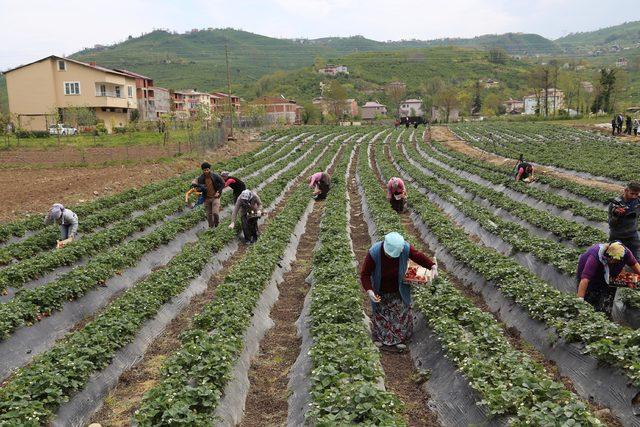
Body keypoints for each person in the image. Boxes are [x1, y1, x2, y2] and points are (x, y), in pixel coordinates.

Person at [360, 232, 437, 351]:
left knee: (400, 313)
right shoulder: (374, 252)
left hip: (399, 287)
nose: (391, 257)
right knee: (382, 313)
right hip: (381, 289)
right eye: (389, 255)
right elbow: (365, 274)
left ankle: (398, 339)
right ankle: (380, 338)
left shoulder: (404, 248)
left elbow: (418, 256)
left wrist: (432, 266)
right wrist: (370, 291)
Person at [576, 241, 640, 315]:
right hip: (593, 278)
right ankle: (590, 315)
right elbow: (585, 280)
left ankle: (606, 314)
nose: (614, 262)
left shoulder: (625, 253)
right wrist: (579, 302)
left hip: (611, 275)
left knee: (608, 298)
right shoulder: (595, 256)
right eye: (612, 260)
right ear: (607, 256)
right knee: (591, 300)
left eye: (617, 261)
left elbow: (636, 267)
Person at [608, 181, 640, 259]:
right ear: (626, 190)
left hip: (632, 235)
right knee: (615, 259)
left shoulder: (638, 202)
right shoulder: (616, 204)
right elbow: (611, 224)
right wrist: (616, 215)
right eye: (632, 193)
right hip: (617, 235)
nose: (634, 196)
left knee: (636, 259)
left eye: (636, 194)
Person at [197, 162, 225, 228]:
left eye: (207, 169)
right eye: (204, 170)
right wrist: (199, 189)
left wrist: (218, 191)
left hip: (215, 197)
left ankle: (217, 225)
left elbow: (223, 183)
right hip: (206, 199)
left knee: (215, 213)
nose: (206, 171)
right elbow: (199, 189)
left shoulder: (215, 176)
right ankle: (211, 228)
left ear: (209, 169)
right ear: (202, 170)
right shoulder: (201, 178)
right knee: (209, 216)